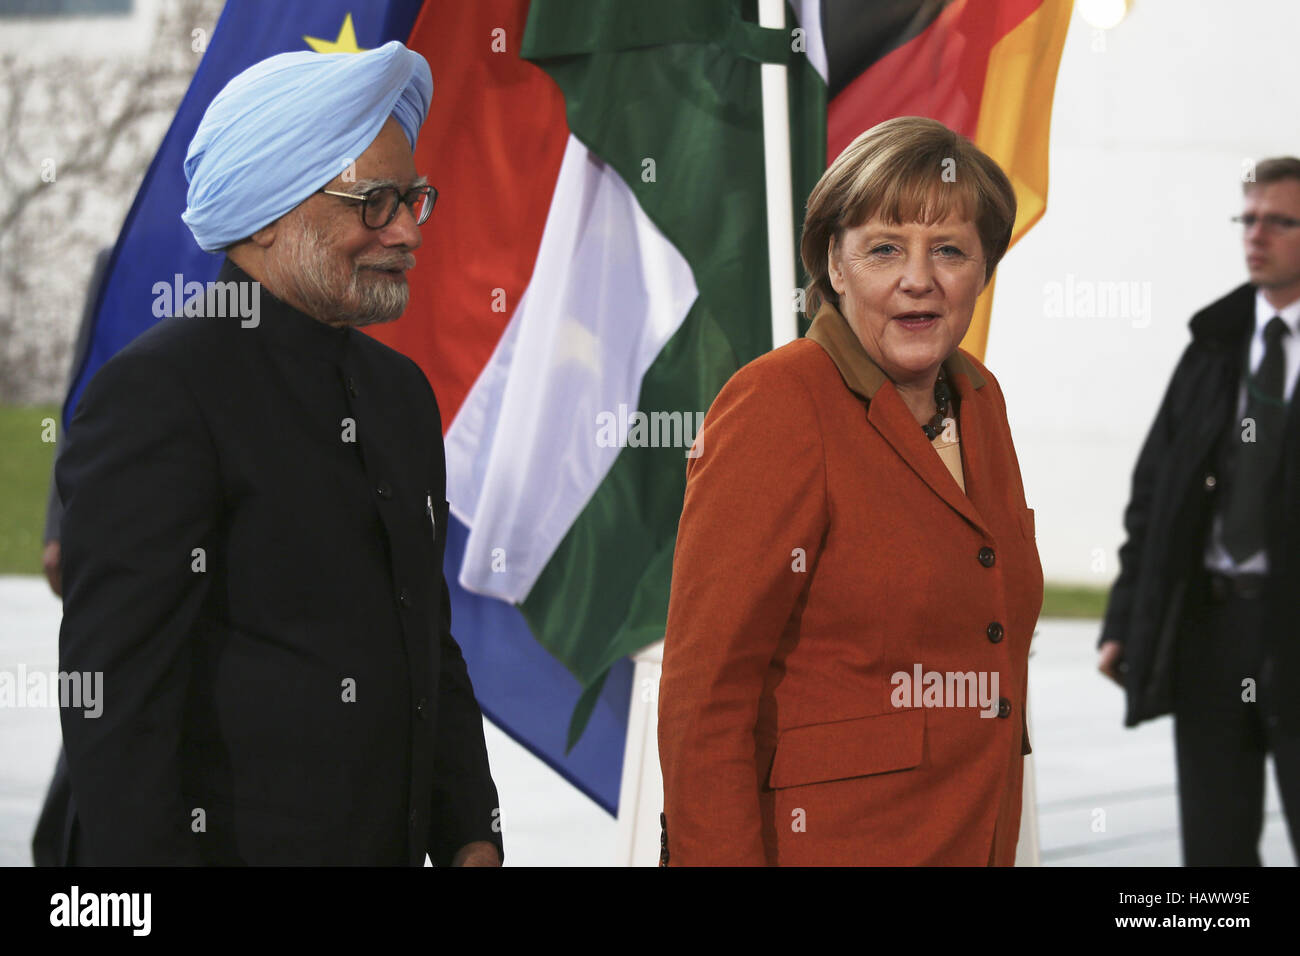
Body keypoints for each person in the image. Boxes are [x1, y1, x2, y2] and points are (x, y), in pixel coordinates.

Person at [56, 42, 502, 866]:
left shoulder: (400, 395)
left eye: (413, 199)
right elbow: (116, 708)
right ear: (267, 213)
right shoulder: (159, 395)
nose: (406, 230)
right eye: (374, 202)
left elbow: (424, 642)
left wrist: (471, 828)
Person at [657, 116, 1043, 866]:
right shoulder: (778, 402)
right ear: (834, 265)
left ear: (983, 271)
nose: (918, 278)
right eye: (885, 248)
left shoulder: (979, 397)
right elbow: (705, 699)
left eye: (951, 251)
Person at [1098, 157, 1300, 866]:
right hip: (1212, 633)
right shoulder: (1211, 347)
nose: (1257, 235)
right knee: (1214, 855)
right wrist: (1127, 619)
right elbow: (1155, 494)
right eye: (1249, 219)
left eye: (1280, 221)